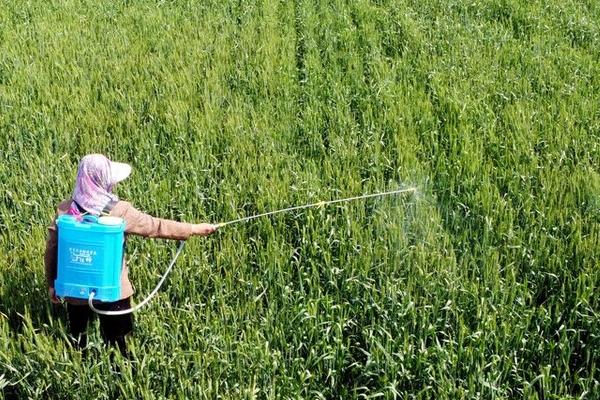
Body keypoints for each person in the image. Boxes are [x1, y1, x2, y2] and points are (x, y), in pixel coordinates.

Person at [44, 154, 217, 357]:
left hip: (75, 292)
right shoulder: (119, 211)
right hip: (113, 292)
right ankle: (122, 378)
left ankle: (81, 371)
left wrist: (52, 284)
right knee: (121, 344)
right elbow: (156, 226)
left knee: (77, 340)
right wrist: (193, 229)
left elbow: (51, 250)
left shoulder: (65, 211)